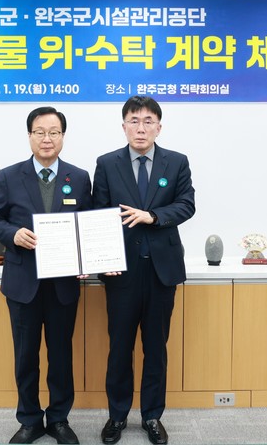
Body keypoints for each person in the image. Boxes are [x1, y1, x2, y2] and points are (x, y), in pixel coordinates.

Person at [0, 106, 93, 444]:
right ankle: (30, 420)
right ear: (30, 135)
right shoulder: (9, 176)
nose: (47, 139)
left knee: (61, 357)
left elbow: (88, 225)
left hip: (63, 285)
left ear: (63, 136)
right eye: (40, 132)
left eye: (54, 132)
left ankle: (59, 419)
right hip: (23, 285)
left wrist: (88, 257)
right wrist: (13, 234)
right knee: (25, 357)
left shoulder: (79, 177)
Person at [93, 96, 195, 445]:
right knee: (119, 348)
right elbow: (98, 214)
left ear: (158, 127)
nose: (141, 128)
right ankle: (117, 416)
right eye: (134, 121)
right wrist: (101, 260)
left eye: (148, 121)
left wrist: (153, 216)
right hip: (120, 271)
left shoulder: (176, 162)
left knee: (156, 347)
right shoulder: (107, 164)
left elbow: (186, 205)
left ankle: (152, 416)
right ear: (124, 126)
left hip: (161, 272)